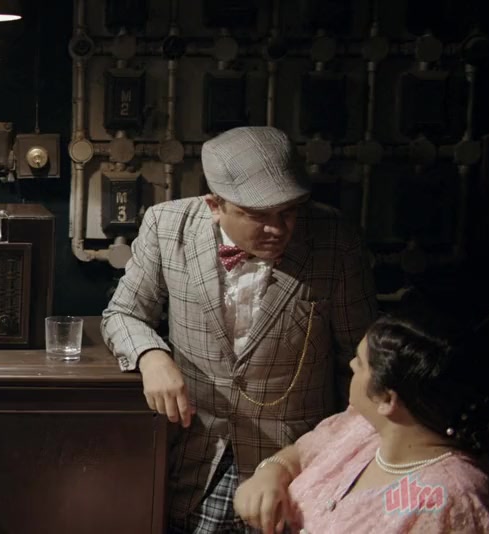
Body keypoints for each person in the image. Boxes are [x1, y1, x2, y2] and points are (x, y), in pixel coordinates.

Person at [101, 126, 378, 532]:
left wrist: (348, 462)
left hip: (294, 472)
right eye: (259, 215)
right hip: (196, 463)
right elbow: (123, 313)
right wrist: (151, 356)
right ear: (215, 205)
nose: (278, 229)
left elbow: (363, 365)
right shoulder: (166, 225)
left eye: (289, 211)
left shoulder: (335, 239)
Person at [233, 306, 489, 533]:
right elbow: (300, 453)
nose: (351, 365)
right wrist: (270, 474)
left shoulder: (453, 499)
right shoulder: (362, 427)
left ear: (387, 400)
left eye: (360, 363)